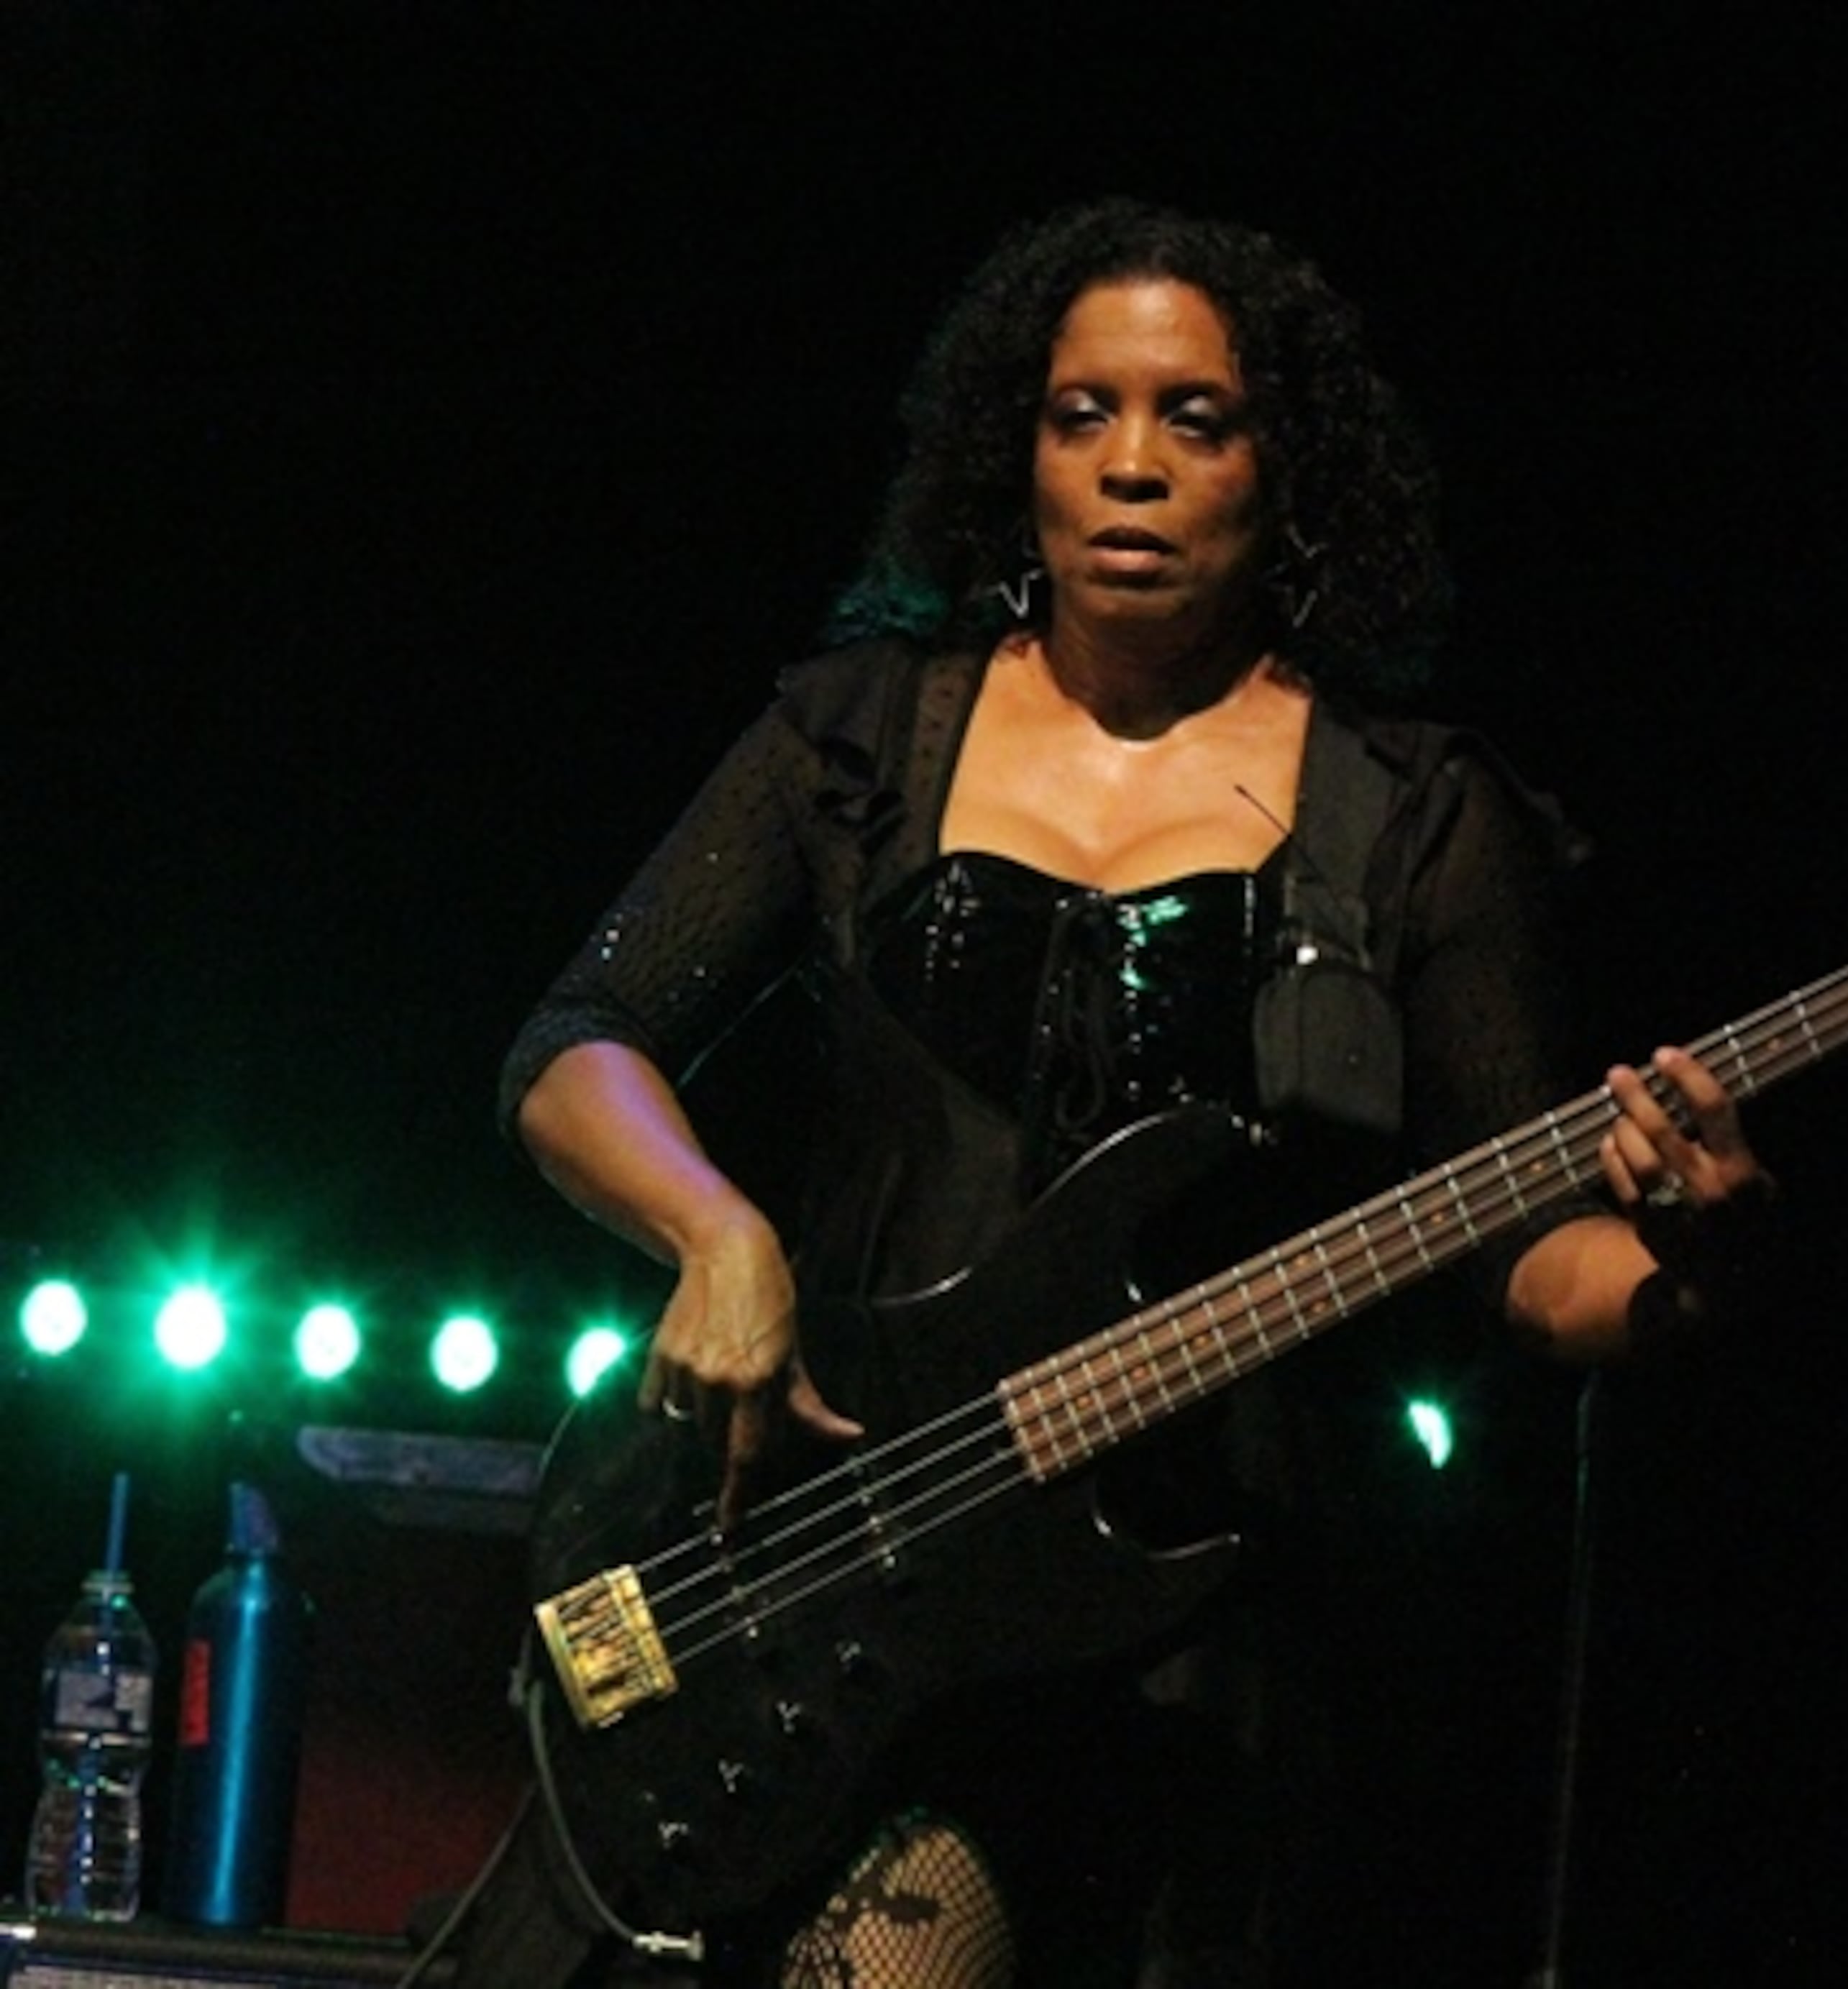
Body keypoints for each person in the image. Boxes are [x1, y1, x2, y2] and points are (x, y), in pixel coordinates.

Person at [466, 197, 1776, 1988]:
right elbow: (579, 1036)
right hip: (820, 1555)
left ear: (1286, 473)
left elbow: (1535, 1256)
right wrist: (715, 1235)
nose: (1132, 469)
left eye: (1197, 419)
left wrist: (1682, 1259)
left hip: (1167, 1619)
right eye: (1083, 416)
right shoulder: (861, 738)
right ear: (1019, 455)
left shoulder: (1410, 817)